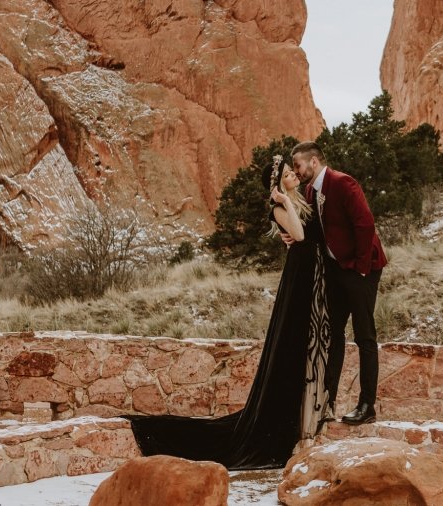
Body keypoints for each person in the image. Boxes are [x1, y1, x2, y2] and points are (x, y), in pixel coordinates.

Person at [126, 155, 331, 469]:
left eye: (293, 172)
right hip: (299, 281)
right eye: (288, 174)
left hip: (309, 275)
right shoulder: (279, 207)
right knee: (292, 342)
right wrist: (282, 202)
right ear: (277, 185)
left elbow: (308, 234)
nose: (294, 176)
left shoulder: (301, 201)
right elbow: (300, 237)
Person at [290, 141, 387, 425]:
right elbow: (316, 231)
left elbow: (365, 224)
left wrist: (360, 268)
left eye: (298, 165)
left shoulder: (343, 183)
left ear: (314, 162)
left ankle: (367, 405)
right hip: (336, 271)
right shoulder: (309, 191)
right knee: (332, 334)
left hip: (362, 269)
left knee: (364, 335)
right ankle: (327, 402)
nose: (296, 171)